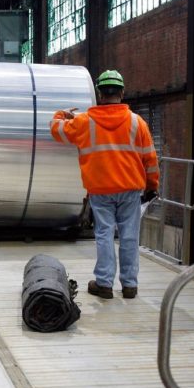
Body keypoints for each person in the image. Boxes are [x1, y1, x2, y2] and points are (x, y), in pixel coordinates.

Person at [50, 70, 159, 299]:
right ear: (121, 92)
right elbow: (150, 158)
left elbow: (56, 130)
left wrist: (61, 114)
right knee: (129, 236)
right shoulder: (136, 123)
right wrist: (152, 186)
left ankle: (104, 284)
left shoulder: (84, 122)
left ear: (100, 94)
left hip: (100, 191)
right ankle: (129, 285)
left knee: (104, 235)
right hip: (130, 190)